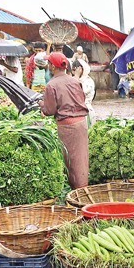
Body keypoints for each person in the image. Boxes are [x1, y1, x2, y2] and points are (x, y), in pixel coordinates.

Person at [41, 52, 89, 189]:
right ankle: (82, 190)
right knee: (81, 159)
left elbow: (49, 110)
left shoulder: (51, 85)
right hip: (81, 124)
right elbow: (82, 100)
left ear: (52, 67)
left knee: (72, 162)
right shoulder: (75, 81)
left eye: (49, 63)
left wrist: (41, 105)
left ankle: (77, 194)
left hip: (68, 127)